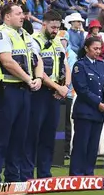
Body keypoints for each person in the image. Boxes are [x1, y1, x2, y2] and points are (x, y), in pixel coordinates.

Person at [0, 5, 43, 183]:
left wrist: (39, 78)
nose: (23, 17)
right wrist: (28, 79)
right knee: (1, 136)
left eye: (23, 14)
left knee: (20, 137)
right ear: (7, 16)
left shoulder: (25, 35)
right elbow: (7, 61)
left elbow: (37, 59)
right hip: (7, 89)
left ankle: (13, 177)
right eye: (19, 14)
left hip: (24, 90)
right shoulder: (0, 33)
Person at [24, 11, 70, 179]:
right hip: (39, 93)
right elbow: (37, 70)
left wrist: (64, 86)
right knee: (32, 134)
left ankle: (44, 173)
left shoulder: (57, 41)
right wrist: (58, 87)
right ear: (44, 24)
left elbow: (65, 65)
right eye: (52, 27)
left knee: (48, 136)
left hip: (55, 94)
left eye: (58, 27)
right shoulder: (34, 40)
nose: (55, 30)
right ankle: (27, 174)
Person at [69, 37, 104, 176]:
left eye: (99, 48)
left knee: (93, 145)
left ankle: (89, 173)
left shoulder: (101, 65)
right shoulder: (80, 65)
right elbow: (82, 89)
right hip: (85, 111)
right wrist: (98, 103)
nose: (98, 51)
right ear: (86, 48)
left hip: (99, 112)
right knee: (81, 144)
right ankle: (76, 174)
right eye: (95, 48)